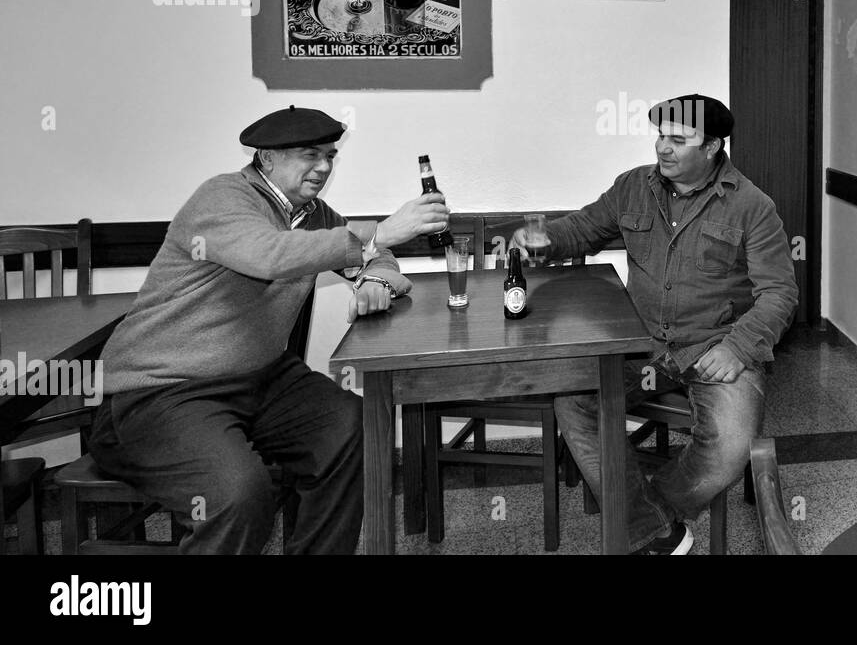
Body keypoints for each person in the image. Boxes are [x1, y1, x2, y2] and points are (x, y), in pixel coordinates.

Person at [90, 106, 449, 554]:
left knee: (351, 426)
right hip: (161, 391)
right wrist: (381, 232)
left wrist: (375, 278)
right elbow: (271, 255)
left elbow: (379, 262)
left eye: (329, 155)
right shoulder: (222, 198)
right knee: (236, 494)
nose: (322, 166)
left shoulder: (313, 214)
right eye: (308, 154)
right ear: (267, 158)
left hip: (261, 377)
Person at [512, 94, 798, 554]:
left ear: (711, 147)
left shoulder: (752, 206)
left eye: (678, 139)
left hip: (715, 347)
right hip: (641, 347)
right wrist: (545, 240)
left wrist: (737, 349)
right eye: (661, 136)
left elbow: (780, 293)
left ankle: (645, 517)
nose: (663, 148)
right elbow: (583, 228)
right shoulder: (633, 187)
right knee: (575, 400)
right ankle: (655, 532)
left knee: (730, 446)